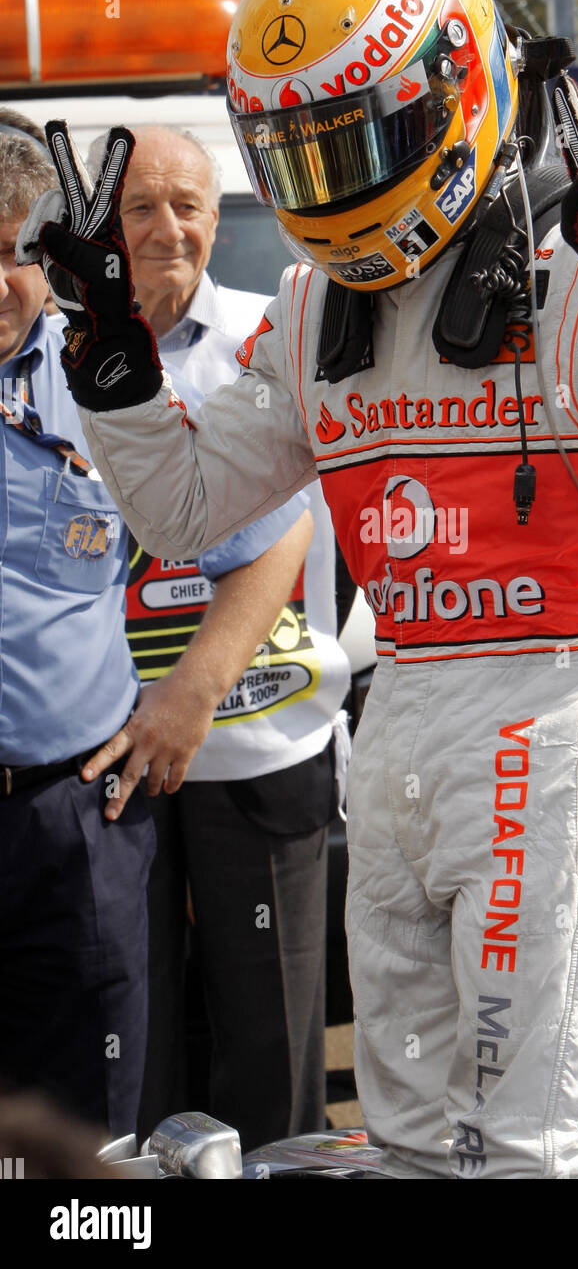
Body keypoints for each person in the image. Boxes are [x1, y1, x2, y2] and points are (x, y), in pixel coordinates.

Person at [20, 0, 578, 1179]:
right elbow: (178, 509)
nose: (332, 181)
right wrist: (110, 351)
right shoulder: (308, 311)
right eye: (298, 151)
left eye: (357, 136)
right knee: (402, 1147)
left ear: (450, 81)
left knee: (525, 1151)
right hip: (400, 719)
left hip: (561, 725)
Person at [0, 116, 311, 1140]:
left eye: (17, 250)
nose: (1, 280)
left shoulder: (107, 379)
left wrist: (188, 693)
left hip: (80, 815)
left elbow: (265, 537)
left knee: (98, 1125)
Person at [84, 125, 352, 1149]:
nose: (168, 229)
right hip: (106, 760)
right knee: (131, 1046)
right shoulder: (64, 353)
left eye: (189, 206)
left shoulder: (271, 338)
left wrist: (194, 691)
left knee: (274, 1052)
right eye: (140, 206)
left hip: (263, 743)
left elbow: (299, 529)